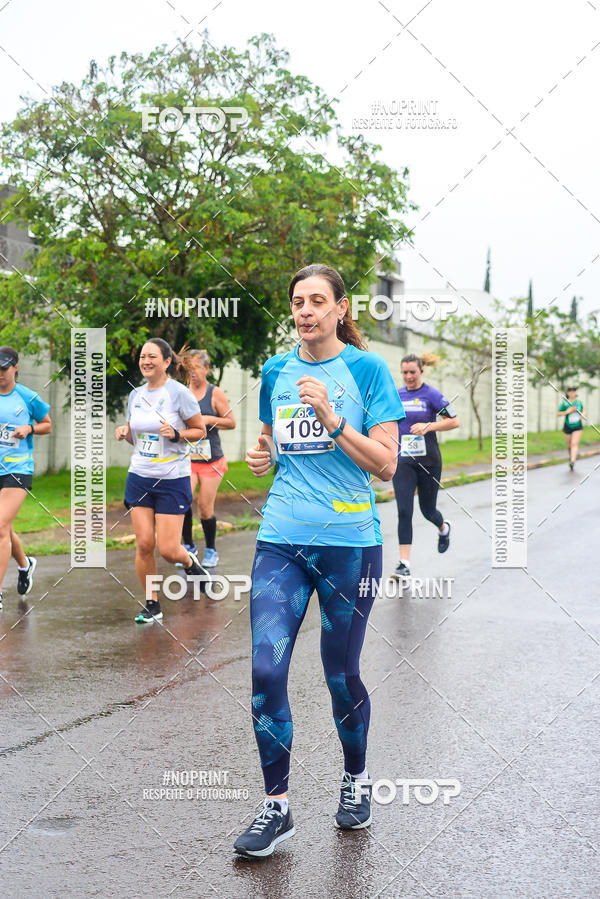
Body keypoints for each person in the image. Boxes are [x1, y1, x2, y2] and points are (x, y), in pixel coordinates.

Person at [232, 264, 405, 859]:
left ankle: (355, 779)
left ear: (340, 308)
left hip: (349, 544)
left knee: (340, 673)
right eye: (297, 302)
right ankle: (276, 806)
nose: (305, 311)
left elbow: (385, 464)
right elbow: (275, 443)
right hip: (280, 538)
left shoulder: (367, 370)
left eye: (317, 301)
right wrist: (264, 454)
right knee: (264, 670)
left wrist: (334, 421)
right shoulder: (276, 371)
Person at [115, 338, 208, 623]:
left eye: (152, 356)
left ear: (167, 361)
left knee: (168, 549)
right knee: (144, 544)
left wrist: (178, 434)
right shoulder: (136, 395)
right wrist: (125, 432)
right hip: (140, 476)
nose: (146, 361)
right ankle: (152, 604)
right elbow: (138, 439)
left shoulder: (179, 394)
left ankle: (190, 561)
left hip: (172, 479)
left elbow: (200, 431)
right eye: (143, 356)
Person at [391, 353, 459, 580]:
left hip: (429, 461)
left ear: (422, 371)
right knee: (403, 511)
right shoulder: (396, 395)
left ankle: (443, 527)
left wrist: (428, 426)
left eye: (412, 372)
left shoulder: (432, 395)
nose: (408, 376)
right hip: (403, 462)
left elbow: (454, 420)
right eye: (404, 372)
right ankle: (404, 564)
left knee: (427, 510)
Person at [0, 346, 51, 610]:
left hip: (17, 468)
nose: (0, 374)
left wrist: (29, 428)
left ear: (16, 367)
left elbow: (47, 424)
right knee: (3, 527)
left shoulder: (27, 397)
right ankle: (25, 564)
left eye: (4, 368)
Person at [177, 349, 236, 568]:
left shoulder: (215, 393)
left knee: (204, 506)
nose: (192, 373)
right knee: (183, 500)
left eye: (196, 368)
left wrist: (208, 419)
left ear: (207, 369)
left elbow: (231, 422)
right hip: (188, 459)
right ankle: (189, 547)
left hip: (212, 460)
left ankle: (210, 550)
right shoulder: (182, 392)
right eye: (188, 368)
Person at [558, 387, 585, 471]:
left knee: (574, 443)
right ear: (568, 393)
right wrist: (567, 411)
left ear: (575, 393)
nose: (572, 393)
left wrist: (582, 415)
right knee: (569, 445)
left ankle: (572, 461)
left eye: (574, 391)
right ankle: (571, 457)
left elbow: (583, 410)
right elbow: (558, 413)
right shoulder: (565, 403)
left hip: (577, 426)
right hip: (568, 426)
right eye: (570, 391)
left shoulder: (579, 402)